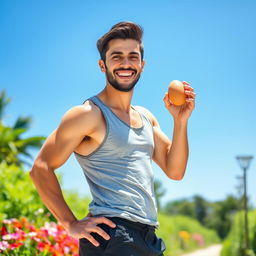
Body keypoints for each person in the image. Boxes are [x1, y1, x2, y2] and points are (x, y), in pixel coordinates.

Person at [29, 21, 196, 256]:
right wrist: (70, 224)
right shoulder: (88, 114)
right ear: (102, 65)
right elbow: (40, 168)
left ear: (142, 65)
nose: (126, 63)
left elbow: (175, 170)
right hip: (112, 235)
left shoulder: (146, 117)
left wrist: (180, 121)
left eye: (132, 56)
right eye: (116, 56)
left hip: (147, 236)